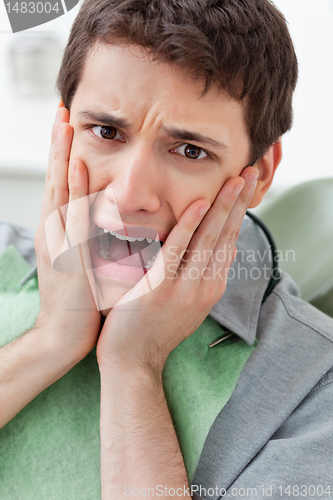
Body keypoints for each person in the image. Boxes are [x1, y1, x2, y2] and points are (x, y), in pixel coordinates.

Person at [0, 0, 332, 498]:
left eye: (190, 150)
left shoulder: (317, 386)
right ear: (63, 132)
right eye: (106, 131)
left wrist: (134, 366)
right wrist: (51, 339)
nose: (130, 195)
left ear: (257, 175)